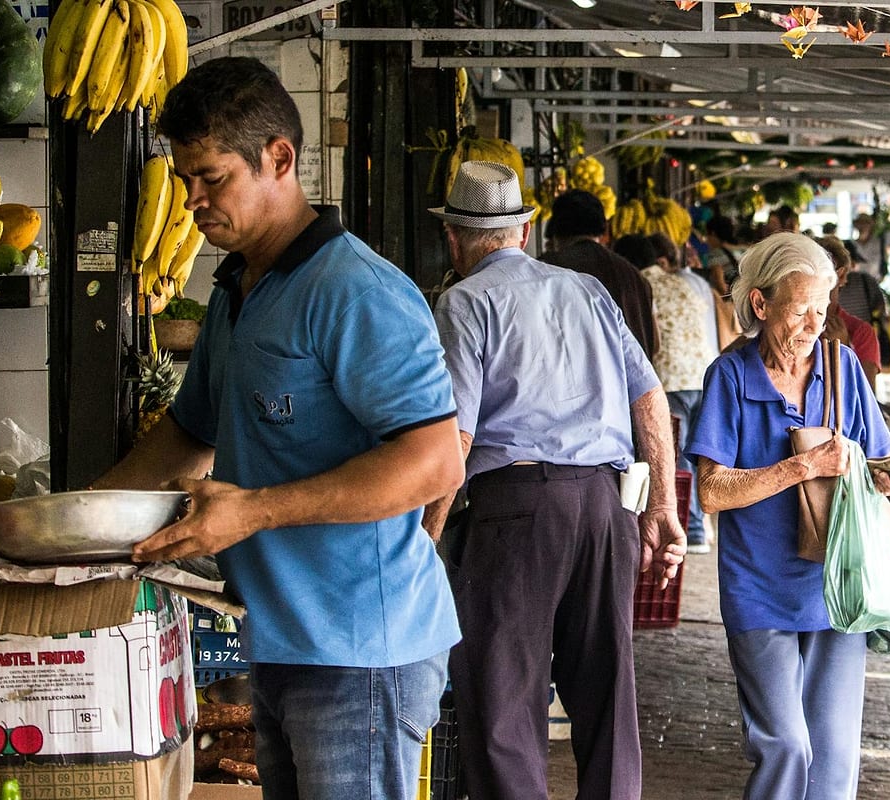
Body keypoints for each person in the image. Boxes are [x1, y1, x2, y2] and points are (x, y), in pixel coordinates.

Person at [92, 57, 464, 800]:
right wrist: (75, 525)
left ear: (279, 159)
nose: (192, 200)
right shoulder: (237, 290)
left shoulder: (355, 291)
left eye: (212, 178)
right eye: (184, 180)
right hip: (282, 638)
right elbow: (185, 432)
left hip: (360, 650)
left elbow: (435, 462)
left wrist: (253, 511)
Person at [424, 161, 686, 800]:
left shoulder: (463, 300)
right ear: (522, 231)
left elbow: (455, 438)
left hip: (515, 511)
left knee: (504, 704)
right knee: (607, 694)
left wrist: (423, 540)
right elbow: (650, 398)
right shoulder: (587, 291)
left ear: (454, 239)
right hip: (605, 505)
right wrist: (663, 506)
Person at [684, 232, 890, 800]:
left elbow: (881, 455)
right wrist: (802, 466)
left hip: (838, 584)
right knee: (786, 743)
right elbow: (713, 492)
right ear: (761, 306)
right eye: (800, 309)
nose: (815, 322)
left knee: (835, 757)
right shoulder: (731, 378)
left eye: (822, 307)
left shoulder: (841, 369)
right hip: (758, 589)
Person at [615, 232, 718, 553]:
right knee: (699, 456)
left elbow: (654, 340)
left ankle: (694, 531)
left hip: (669, 381)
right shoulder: (682, 282)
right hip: (703, 375)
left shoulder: (638, 286)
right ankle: (701, 527)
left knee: (673, 460)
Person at [541, 189, 657, 360]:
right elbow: (653, 344)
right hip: (632, 383)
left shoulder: (548, 269)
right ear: (604, 229)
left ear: (554, 229)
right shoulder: (634, 276)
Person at [817, 235, 880, 389]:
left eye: (826, 271)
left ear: (842, 275)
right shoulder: (793, 325)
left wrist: (844, 350)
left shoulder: (860, 332)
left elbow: (866, 400)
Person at [850, 212, 885, 278]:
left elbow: (874, 267)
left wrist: (857, 266)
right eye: (860, 223)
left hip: (874, 282)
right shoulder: (852, 244)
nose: (863, 226)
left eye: (866, 223)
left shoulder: (877, 243)